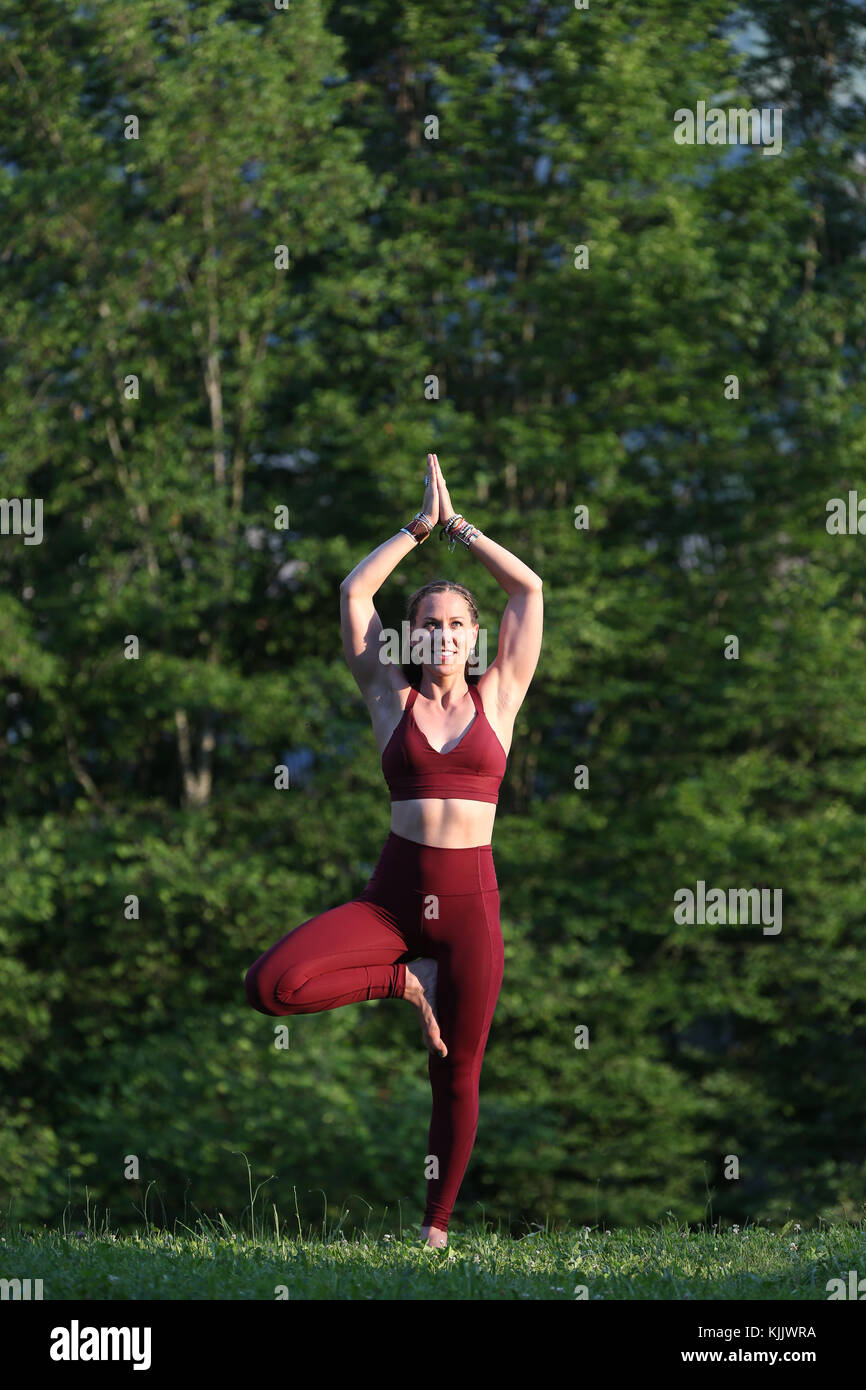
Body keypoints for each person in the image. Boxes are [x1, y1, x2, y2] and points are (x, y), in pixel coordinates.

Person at [244, 454, 543, 1247]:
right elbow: (352, 593)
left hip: (471, 910)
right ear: (413, 634)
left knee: (458, 1072)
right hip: (393, 900)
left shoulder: (500, 696)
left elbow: (530, 590)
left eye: (456, 625)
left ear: (474, 638)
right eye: (430, 624)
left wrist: (461, 530)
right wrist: (417, 530)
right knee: (269, 985)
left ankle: (435, 1231)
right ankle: (401, 982)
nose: (442, 635)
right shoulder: (390, 695)